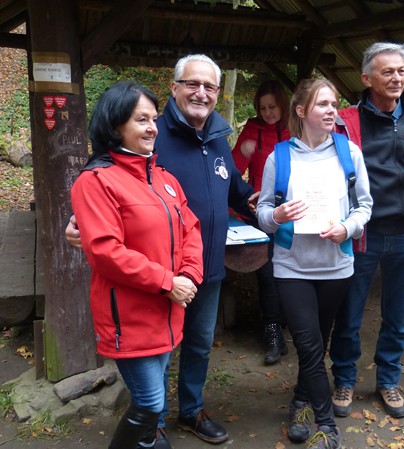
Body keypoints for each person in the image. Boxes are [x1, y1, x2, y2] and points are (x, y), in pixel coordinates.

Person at [67, 54, 257, 448]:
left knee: (195, 345)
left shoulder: (217, 139)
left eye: (209, 86)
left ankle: (190, 410)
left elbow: (228, 198)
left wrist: (266, 205)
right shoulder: (149, 145)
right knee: (152, 372)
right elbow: (103, 207)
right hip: (150, 283)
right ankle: (153, 426)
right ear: (175, 88)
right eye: (192, 83)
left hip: (201, 271)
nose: (201, 93)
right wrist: (76, 223)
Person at [69, 81, 204, 449]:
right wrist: (167, 282)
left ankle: (149, 443)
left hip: (169, 310)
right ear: (115, 126)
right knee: (149, 403)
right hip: (129, 316)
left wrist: (188, 275)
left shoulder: (164, 178)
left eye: (154, 119)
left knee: (154, 396)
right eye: (141, 120)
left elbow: (190, 229)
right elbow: (105, 251)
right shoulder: (96, 181)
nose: (152, 128)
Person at [329, 42, 404, 419]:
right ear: (367, 78)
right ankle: (344, 378)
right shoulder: (344, 123)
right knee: (349, 313)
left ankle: (388, 380)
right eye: (387, 72)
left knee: (397, 315)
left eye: (401, 71)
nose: (397, 78)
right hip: (360, 234)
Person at [257, 78, 372, 449]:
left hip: (336, 267)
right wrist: (277, 215)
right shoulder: (279, 157)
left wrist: (347, 228)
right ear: (301, 110)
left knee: (317, 344)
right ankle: (327, 427)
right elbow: (263, 212)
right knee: (308, 346)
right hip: (292, 267)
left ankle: (300, 402)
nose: (332, 111)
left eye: (334, 104)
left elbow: (364, 206)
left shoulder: (349, 153)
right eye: (323, 104)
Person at [231, 79, 291, 365]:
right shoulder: (253, 130)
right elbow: (231, 173)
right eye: (262, 108)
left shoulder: (296, 129)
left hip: (293, 213)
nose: (267, 113)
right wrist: (243, 153)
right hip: (260, 213)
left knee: (290, 271)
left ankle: (287, 320)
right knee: (267, 273)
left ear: (283, 105)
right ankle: (272, 332)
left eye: (272, 107)